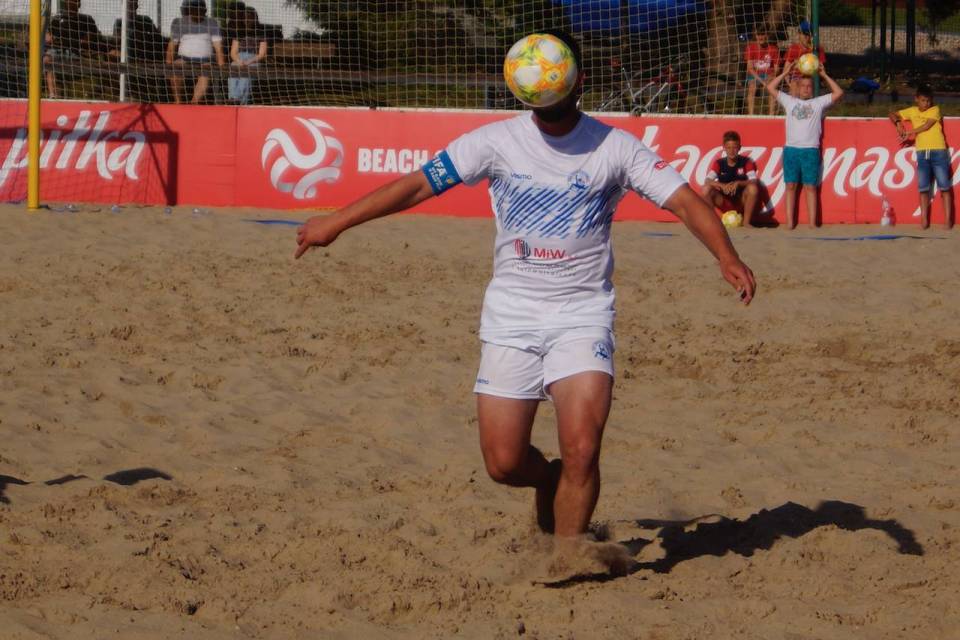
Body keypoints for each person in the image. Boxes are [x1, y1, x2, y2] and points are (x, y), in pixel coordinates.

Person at [294, 31, 756, 542]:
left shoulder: (616, 147)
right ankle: (548, 480)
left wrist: (726, 255)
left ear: (577, 82)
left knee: (583, 449)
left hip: (582, 313)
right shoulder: (495, 142)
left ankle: (569, 555)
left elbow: (686, 201)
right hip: (512, 314)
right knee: (504, 463)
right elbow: (419, 184)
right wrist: (336, 221)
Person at [761, 62, 843, 229]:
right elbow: (770, 87)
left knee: (810, 187)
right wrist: (785, 73)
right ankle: (790, 223)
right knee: (790, 186)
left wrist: (824, 75)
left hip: (810, 150)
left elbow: (839, 92)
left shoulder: (818, 103)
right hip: (791, 150)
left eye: (809, 86)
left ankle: (812, 224)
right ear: (797, 88)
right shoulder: (789, 101)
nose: (806, 89)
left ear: (812, 89)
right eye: (803, 86)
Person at [889, 85, 954, 230]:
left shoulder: (935, 109)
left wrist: (909, 132)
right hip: (922, 152)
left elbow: (926, 126)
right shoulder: (912, 111)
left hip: (938, 151)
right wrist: (898, 123)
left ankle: (948, 221)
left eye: (929, 101)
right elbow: (892, 114)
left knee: (944, 187)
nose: (927, 103)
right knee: (923, 188)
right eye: (923, 100)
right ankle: (924, 221)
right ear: (916, 99)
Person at [166, 0, 225, 104]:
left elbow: (218, 47)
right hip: (184, 59)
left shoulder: (212, 23)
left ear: (204, 10)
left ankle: (194, 103)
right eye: (194, 10)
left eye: (199, 10)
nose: (196, 12)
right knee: (175, 70)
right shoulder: (180, 22)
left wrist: (222, 66)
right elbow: (171, 46)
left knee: (205, 74)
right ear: (190, 10)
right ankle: (178, 102)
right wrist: (168, 64)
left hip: (206, 61)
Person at [701, 130, 761, 226]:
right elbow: (707, 180)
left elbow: (754, 181)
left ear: (739, 148)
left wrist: (738, 183)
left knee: (753, 188)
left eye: (735, 147)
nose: (731, 151)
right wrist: (721, 185)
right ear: (724, 148)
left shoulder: (746, 162)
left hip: (741, 202)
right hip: (724, 202)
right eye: (728, 148)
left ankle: (746, 223)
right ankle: (713, 222)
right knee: (705, 189)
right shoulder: (719, 163)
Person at [43, 0, 102, 99]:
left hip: (76, 52)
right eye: (69, 1)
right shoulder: (58, 18)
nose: (71, 3)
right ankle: (53, 95)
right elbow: (48, 36)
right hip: (58, 51)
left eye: (74, 1)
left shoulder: (86, 19)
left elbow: (92, 37)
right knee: (47, 59)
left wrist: (80, 40)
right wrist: (50, 37)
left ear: (79, 4)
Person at [109, 0, 166, 99]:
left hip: (143, 55)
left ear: (136, 6)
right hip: (125, 56)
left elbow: (157, 39)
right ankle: (120, 93)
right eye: (128, 4)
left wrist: (143, 37)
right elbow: (116, 40)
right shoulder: (119, 22)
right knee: (114, 55)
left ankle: (155, 95)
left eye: (132, 4)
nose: (130, 7)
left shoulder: (145, 20)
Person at [228, 7, 267, 104]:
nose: (247, 19)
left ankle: (237, 100)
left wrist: (249, 61)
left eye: (249, 17)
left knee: (245, 77)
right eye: (245, 17)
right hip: (239, 58)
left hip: (254, 58)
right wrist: (239, 61)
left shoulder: (261, 32)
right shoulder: (239, 32)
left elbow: (262, 54)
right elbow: (233, 52)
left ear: (254, 18)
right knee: (233, 73)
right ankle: (234, 99)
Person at [744, 29, 780, 116]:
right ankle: (751, 115)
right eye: (758, 34)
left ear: (767, 35)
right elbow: (750, 69)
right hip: (755, 75)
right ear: (755, 36)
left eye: (763, 34)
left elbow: (777, 69)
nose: (761, 37)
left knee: (772, 88)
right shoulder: (750, 48)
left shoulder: (773, 49)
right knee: (752, 88)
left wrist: (772, 75)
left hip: (768, 75)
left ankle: (771, 115)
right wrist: (762, 81)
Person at [784, 20, 825, 96]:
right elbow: (785, 71)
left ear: (811, 36)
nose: (806, 37)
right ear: (799, 34)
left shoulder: (817, 49)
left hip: (811, 77)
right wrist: (790, 84)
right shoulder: (793, 48)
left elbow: (822, 69)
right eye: (804, 33)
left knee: (808, 88)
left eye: (808, 34)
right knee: (795, 86)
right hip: (796, 78)